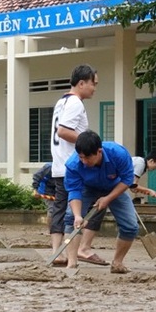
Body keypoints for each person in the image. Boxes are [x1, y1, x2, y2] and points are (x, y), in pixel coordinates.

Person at [49, 64, 107, 267]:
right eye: (93, 84)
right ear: (81, 83)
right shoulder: (75, 103)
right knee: (93, 205)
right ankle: (80, 249)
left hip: (59, 165)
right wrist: (89, 145)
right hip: (73, 165)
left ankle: (58, 252)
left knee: (60, 209)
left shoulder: (62, 101)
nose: (94, 88)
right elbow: (63, 131)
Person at [63, 130, 139, 274]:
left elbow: (127, 180)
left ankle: (117, 263)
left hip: (114, 186)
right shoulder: (73, 164)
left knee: (130, 226)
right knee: (71, 219)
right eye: (81, 158)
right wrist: (78, 215)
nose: (84, 162)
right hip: (87, 187)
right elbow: (74, 191)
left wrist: (108, 198)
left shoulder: (118, 154)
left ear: (99, 151)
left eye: (88, 158)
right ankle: (72, 263)